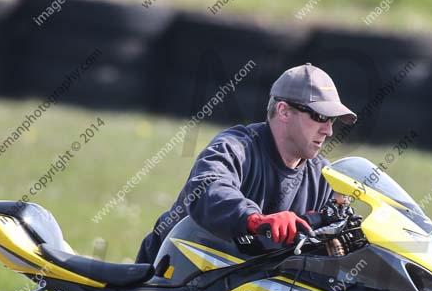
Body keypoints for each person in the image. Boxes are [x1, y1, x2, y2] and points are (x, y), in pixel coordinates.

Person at [135, 63, 357, 264]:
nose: (328, 130)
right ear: (284, 111)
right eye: (319, 117)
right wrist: (256, 220)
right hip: (167, 282)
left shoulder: (324, 178)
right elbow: (207, 189)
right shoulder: (235, 147)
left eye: (332, 120)